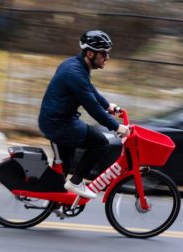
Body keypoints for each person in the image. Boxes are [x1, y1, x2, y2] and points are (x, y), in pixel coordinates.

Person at [38, 30, 130, 199]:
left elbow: (90, 90)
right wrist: (116, 127)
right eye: (104, 53)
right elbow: (92, 108)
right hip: (60, 124)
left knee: (64, 167)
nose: (107, 58)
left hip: (56, 120)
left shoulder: (75, 65)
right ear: (90, 53)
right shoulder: (74, 74)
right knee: (101, 142)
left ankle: (53, 200)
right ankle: (76, 182)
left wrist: (107, 105)